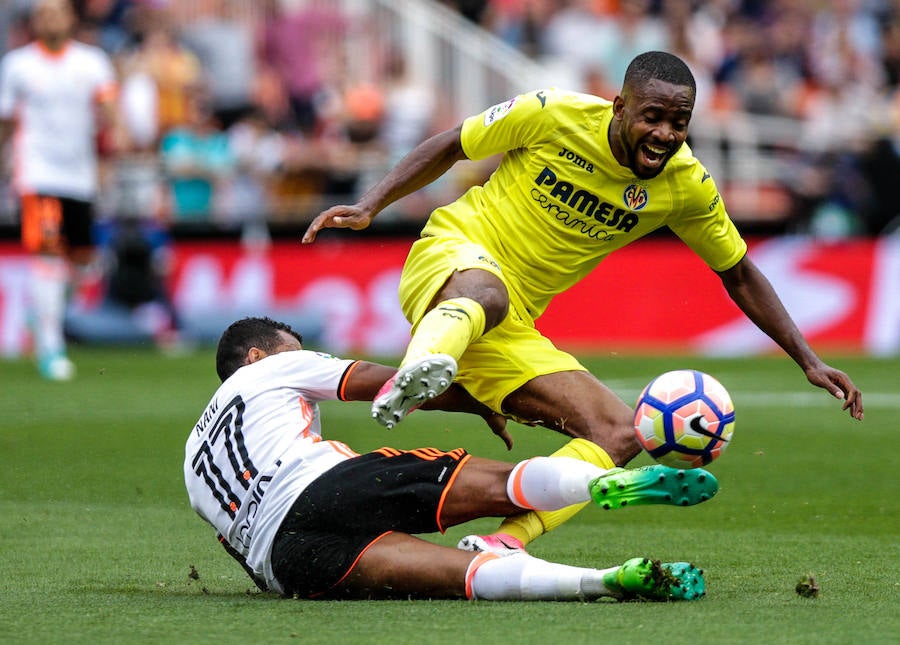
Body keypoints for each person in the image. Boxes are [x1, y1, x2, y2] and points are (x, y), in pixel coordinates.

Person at [301, 51, 864, 554]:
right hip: (453, 255)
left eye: (679, 122)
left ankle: (504, 541)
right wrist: (370, 204)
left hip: (509, 322)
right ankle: (423, 365)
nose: (666, 134)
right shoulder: (554, 114)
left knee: (621, 433)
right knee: (487, 292)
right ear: (619, 107)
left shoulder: (686, 185)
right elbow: (453, 143)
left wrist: (808, 360)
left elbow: (737, 270)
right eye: (653, 116)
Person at [185, 316, 718, 601]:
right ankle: (595, 484)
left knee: (466, 576)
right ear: (256, 356)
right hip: (322, 483)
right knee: (503, 484)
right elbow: (387, 383)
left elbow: (236, 547)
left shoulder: (191, 461)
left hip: (287, 563)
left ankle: (603, 580)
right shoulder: (269, 370)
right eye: (292, 348)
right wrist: (485, 401)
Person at [0, 0, 123, 380]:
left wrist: (112, 149)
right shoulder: (18, 64)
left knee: (84, 264)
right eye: (44, 13)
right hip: (37, 174)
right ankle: (51, 346)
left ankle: (47, 312)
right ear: (35, 21)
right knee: (48, 254)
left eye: (57, 12)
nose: (50, 18)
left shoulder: (91, 62)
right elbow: (6, 119)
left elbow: (109, 113)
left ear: (70, 18)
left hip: (80, 175)